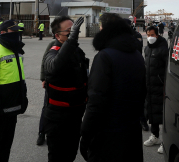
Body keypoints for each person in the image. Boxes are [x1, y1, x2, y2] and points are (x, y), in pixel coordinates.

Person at [80, 14, 146, 162]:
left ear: (105, 29)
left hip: (108, 133)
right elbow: (142, 91)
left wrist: (85, 133)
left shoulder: (105, 56)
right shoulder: (136, 54)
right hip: (132, 129)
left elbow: (96, 100)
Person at [42, 16, 88, 162]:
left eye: (75, 30)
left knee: (71, 154)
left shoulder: (77, 52)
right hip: (58, 118)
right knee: (57, 156)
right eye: (69, 32)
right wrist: (72, 39)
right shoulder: (53, 51)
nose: (73, 34)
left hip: (75, 115)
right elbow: (54, 66)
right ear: (57, 35)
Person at [0, 20, 28, 162]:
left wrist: (23, 95)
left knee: (7, 144)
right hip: (1, 109)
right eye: (14, 31)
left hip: (14, 107)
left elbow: (19, 76)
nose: (17, 33)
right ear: (3, 32)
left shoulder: (16, 50)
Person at [143, 25, 169, 154]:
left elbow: (167, 69)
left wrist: (165, 84)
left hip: (160, 86)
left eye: (152, 35)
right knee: (152, 112)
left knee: (163, 115)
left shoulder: (164, 49)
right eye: (148, 35)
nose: (150, 37)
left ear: (158, 35)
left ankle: (166, 141)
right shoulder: (147, 49)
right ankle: (155, 136)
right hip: (149, 86)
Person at [37, 38, 57, 146]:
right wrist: (43, 78)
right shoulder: (52, 44)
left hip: (66, 83)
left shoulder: (73, 45)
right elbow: (44, 61)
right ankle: (41, 132)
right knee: (47, 106)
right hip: (51, 82)